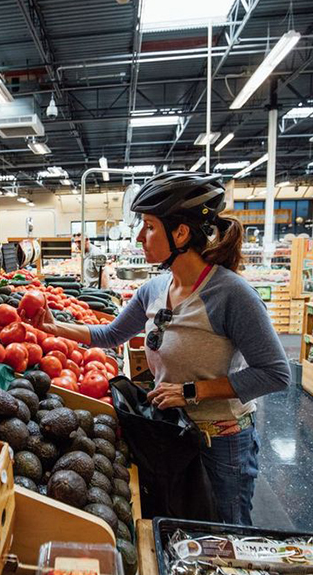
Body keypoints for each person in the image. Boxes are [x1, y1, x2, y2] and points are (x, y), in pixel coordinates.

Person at [33, 171, 290, 525]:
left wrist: (191, 391)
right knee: (181, 535)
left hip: (222, 445)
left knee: (226, 539)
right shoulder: (153, 289)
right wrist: (53, 326)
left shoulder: (232, 295)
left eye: (149, 226)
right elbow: (110, 335)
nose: (140, 236)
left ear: (181, 233)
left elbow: (275, 373)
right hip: (173, 434)